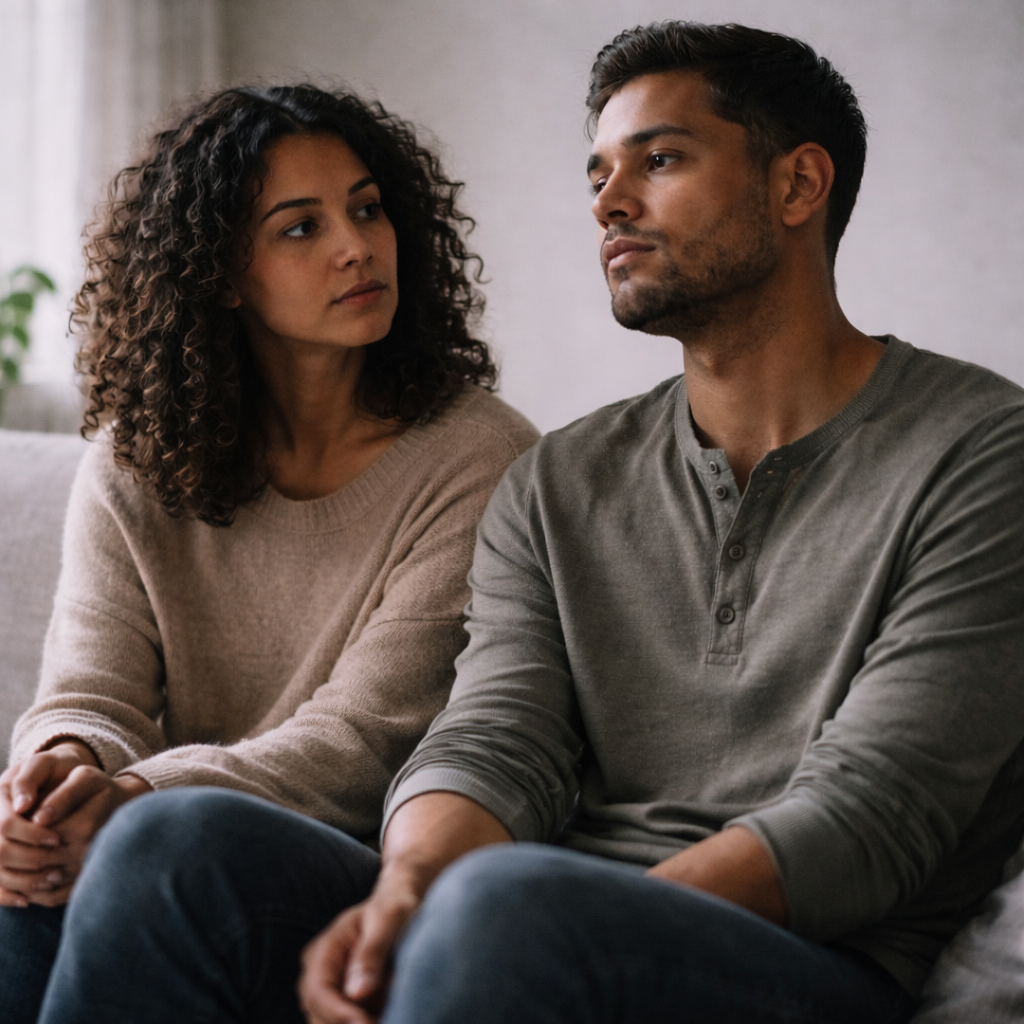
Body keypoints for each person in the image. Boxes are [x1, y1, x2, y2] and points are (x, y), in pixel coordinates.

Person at [26, 21, 1024, 1024]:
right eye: (597, 172)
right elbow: (496, 741)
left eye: (660, 159)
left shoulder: (980, 450)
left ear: (797, 186)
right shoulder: (562, 478)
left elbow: (875, 817)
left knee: (500, 903)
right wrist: (409, 888)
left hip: (804, 961)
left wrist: (529, 914)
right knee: (173, 845)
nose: (608, 201)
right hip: (525, 916)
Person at [0, 84, 537, 1024]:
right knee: (23, 872)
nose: (357, 245)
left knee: (169, 841)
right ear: (219, 273)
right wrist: (59, 774)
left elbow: (365, 744)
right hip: (160, 846)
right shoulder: (135, 459)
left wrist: (133, 795)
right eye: (301, 227)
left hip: (361, 873)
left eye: (368, 209)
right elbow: (91, 691)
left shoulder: (479, 456)